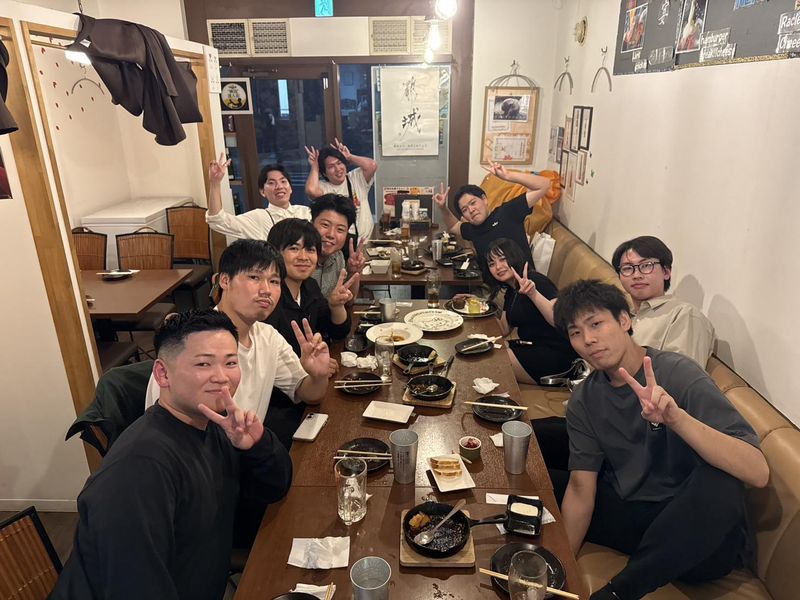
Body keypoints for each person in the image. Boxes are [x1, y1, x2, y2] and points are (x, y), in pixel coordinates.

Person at [52, 310, 293, 599]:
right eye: (203, 363)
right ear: (163, 374)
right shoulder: (138, 468)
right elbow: (133, 586)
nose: (222, 377)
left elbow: (275, 488)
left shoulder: (213, 427)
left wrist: (256, 445)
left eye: (231, 362)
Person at [551, 280, 768, 600]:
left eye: (596, 324)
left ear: (624, 320)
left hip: (696, 537)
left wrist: (677, 419)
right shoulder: (584, 398)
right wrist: (561, 571)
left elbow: (758, 472)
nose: (588, 340)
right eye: (576, 332)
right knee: (543, 482)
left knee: (722, 480)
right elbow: (582, 490)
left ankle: (618, 592)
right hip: (639, 520)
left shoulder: (678, 373)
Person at [145, 239, 330, 423]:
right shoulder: (191, 342)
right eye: (254, 277)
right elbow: (163, 428)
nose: (266, 290)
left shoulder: (268, 337)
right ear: (225, 280)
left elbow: (309, 394)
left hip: (248, 440)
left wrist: (318, 376)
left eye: (274, 281)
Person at [264, 218, 358, 447]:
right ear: (275, 253)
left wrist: (336, 305)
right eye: (293, 248)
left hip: (311, 388)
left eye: (310, 249)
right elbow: (267, 365)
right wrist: (308, 367)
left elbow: (337, 331)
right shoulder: (268, 301)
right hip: (278, 405)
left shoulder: (309, 288)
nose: (304, 257)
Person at [612, 235, 715, 367]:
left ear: (666, 272)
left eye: (646, 266)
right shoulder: (620, 316)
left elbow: (683, 375)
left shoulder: (684, 314)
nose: (636, 275)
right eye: (627, 268)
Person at [433, 163, 551, 278]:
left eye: (473, 203)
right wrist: (443, 207)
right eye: (465, 209)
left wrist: (508, 176)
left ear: (484, 199)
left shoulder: (507, 212)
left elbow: (544, 185)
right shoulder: (473, 229)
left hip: (524, 283)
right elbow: (454, 226)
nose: (471, 210)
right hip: (493, 286)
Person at [485, 238, 577, 384]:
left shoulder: (536, 281)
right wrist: (480, 307)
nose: (498, 267)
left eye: (503, 259)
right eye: (492, 264)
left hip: (557, 355)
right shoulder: (511, 290)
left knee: (492, 360)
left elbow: (558, 319)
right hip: (532, 347)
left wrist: (533, 294)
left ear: (514, 257)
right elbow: (503, 329)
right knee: (485, 349)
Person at [205, 153, 311, 241]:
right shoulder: (259, 218)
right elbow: (218, 220)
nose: (279, 186)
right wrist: (215, 183)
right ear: (262, 192)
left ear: (290, 188)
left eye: (283, 181)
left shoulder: (305, 212)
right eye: (271, 183)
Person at [305, 138, 377, 242]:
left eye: (339, 163)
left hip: (366, 242)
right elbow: (311, 191)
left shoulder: (355, 178)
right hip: (339, 244)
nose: (338, 169)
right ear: (324, 173)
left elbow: (372, 165)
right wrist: (315, 167)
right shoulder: (323, 187)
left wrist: (349, 157)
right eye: (331, 166)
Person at [310, 193, 365, 299]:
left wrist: (353, 272)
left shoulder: (338, 257)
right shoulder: (300, 261)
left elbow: (347, 301)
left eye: (340, 229)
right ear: (311, 223)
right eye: (325, 225)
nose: (331, 234)